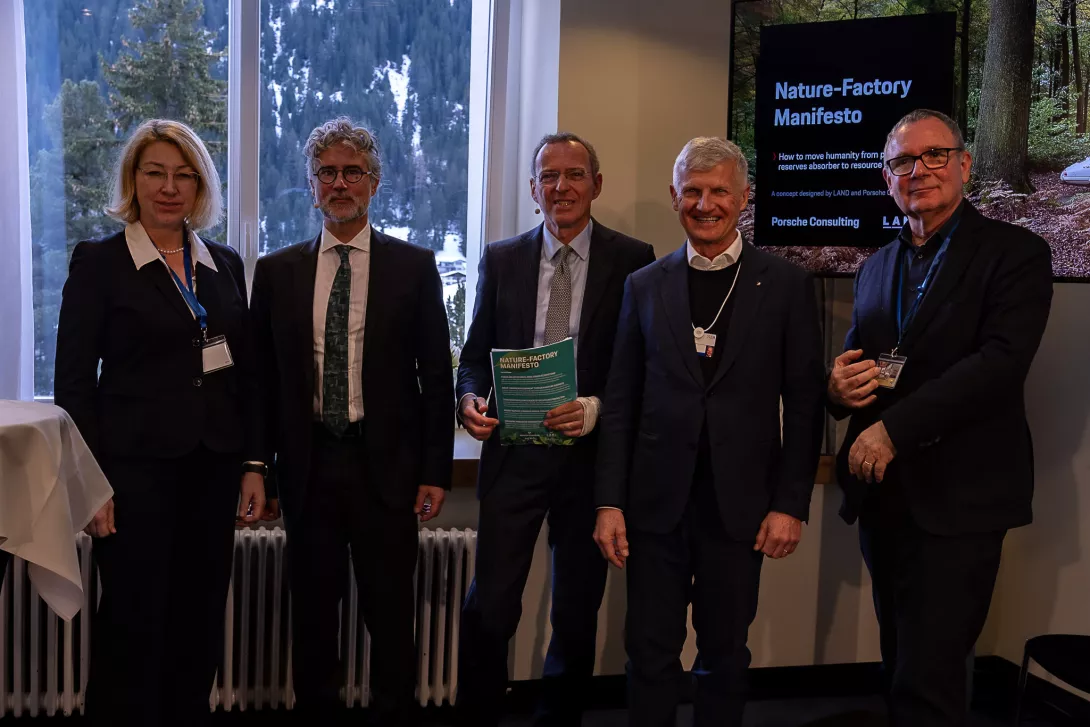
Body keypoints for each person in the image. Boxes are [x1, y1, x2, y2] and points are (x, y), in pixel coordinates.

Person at [827, 109, 1053, 727]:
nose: (919, 170)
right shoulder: (876, 267)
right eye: (902, 161)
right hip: (885, 499)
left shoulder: (1016, 254)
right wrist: (838, 389)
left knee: (932, 680)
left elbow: (1000, 364)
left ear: (964, 164)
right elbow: (861, 363)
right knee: (899, 662)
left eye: (934, 155)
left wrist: (894, 430)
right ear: (887, 177)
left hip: (960, 501)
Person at [593, 137, 825, 727]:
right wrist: (609, 503)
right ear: (674, 197)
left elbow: (804, 406)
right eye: (692, 191)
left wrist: (790, 504)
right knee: (649, 654)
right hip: (654, 509)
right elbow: (620, 404)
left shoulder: (788, 284)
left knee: (724, 655)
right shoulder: (644, 285)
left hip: (741, 510)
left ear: (744, 197)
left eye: (719, 191)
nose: (705, 204)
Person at [53, 119, 266, 727]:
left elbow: (246, 374)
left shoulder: (223, 263)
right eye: (155, 173)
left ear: (201, 187)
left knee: (198, 622)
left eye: (183, 175)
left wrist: (254, 464)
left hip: (212, 471)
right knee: (133, 624)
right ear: (134, 180)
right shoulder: (99, 262)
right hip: (131, 479)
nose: (169, 188)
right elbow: (74, 384)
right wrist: (91, 485)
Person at [249, 116, 453, 725]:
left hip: (385, 469)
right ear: (312, 184)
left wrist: (435, 470)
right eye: (327, 173)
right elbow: (261, 383)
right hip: (309, 466)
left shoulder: (413, 266)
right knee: (312, 617)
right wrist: (259, 467)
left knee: (390, 617)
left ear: (374, 182)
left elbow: (435, 377)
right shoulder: (277, 271)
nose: (340, 183)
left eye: (352, 173)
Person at [456, 132, 656, 726]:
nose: (561, 187)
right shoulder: (502, 258)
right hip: (514, 455)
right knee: (491, 604)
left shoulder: (633, 259)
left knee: (575, 609)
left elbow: (641, 366)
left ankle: (558, 719)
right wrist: (469, 400)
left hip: (589, 462)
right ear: (532, 188)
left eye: (574, 175)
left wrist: (595, 405)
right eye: (549, 176)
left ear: (597, 184)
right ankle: (479, 716)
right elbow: (473, 357)